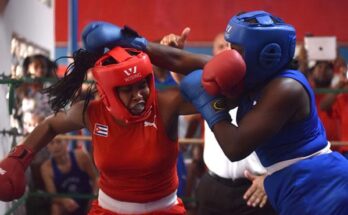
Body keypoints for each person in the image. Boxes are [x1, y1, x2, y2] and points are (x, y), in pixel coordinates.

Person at [79, 10, 348, 215]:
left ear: (266, 53)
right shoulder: (254, 74)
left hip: (319, 185)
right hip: (291, 184)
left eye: (235, 48)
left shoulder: (285, 87)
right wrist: (128, 39)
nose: (228, 54)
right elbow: (179, 59)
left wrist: (210, 103)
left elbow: (236, 146)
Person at [0, 46, 198, 214]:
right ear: (108, 92)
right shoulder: (91, 112)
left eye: (142, 85)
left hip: (164, 209)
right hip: (108, 209)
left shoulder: (165, 105)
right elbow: (50, 124)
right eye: (127, 90)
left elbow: (222, 88)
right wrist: (17, 159)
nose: (138, 96)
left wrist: (169, 56)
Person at [162, 31, 276, 214]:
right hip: (213, 185)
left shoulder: (265, 88)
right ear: (212, 53)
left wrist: (272, 179)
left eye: (230, 46)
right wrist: (175, 54)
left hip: (255, 187)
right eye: (220, 47)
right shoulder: (208, 87)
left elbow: (293, 142)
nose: (225, 50)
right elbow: (186, 83)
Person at [41, 138, 97, 215]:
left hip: (87, 197)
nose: (56, 146)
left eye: (59, 141)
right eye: (51, 143)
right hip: (67, 203)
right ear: (47, 147)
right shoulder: (46, 168)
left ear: (67, 142)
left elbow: (96, 178)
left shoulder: (81, 156)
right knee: (56, 207)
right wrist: (63, 200)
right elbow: (52, 195)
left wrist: (93, 197)